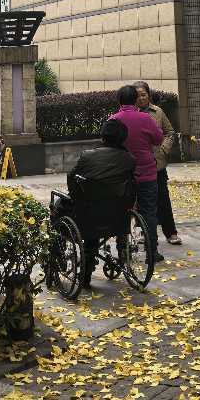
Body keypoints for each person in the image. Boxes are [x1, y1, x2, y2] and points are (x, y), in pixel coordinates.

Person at [67, 119, 137, 289]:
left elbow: (71, 177)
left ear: (103, 136)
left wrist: (76, 197)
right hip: (119, 214)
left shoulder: (87, 156)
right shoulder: (129, 159)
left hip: (90, 213)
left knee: (69, 207)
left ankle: (85, 275)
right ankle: (123, 251)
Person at [110, 84, 164, 260]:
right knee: (149, 212)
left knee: (122, 212)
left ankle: (123, 251)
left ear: (119, 101)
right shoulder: (146, 118)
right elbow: (158, 139)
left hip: (122, 176)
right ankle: (152, 252)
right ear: (135, 100)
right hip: (147, 173)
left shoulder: (113, 120)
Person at [134, 81, 181, 246]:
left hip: (157, 164)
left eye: (144, 94)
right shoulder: (132, 114)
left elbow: (170, 132)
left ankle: (171, 232)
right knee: (141, 201)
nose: (141, 98)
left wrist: (164, 149)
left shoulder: (158, 112)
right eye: (137, 95)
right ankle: (143, 232)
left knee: (163, 199)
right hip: (139, 165)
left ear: (148, 95)